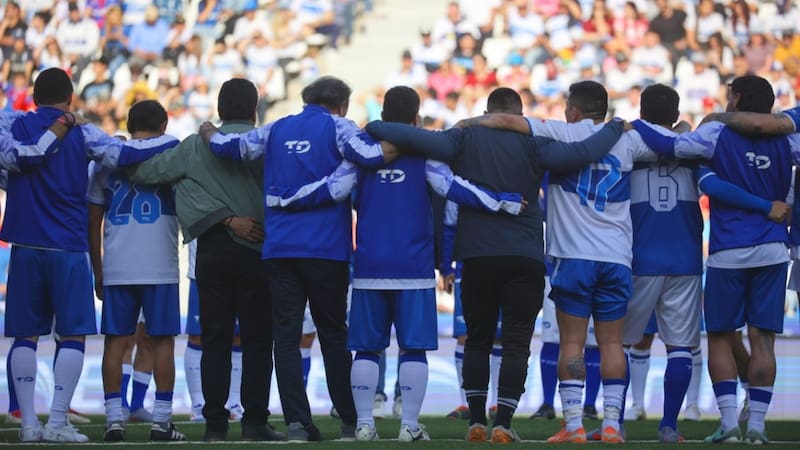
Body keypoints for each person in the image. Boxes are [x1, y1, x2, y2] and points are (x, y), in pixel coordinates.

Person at [365, 87, 626, 443]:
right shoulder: (536, 142)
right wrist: (614, 127)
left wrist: (375, 126)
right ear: (519, 116)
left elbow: (413, 136)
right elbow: (584, 152)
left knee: (477, 340)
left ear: (488, 113)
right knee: (517, 343)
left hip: (477, 254)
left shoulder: (463, 138)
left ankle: (476, 420)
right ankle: (502, 422)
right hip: (525, 255)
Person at [199, 76, 390, 442]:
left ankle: (298, 424)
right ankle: (350, 421)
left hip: (279, 249)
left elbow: (227, 147)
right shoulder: (340, 127)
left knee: (286, 338)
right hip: (325, 249)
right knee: (333, 334)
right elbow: (370, 156)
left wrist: (208, 131)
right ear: (342, 106)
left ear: (306, 100)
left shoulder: (277, 128)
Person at [0, 67, 180, 443]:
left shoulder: (10, 123)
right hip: (68, 246)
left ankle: (29, 424)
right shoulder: (84, 133)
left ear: (34, 98)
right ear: (70, 99)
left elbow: (11, 164)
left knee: (23, 336)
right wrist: (177, 142)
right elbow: (125, 153)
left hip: (25, 244)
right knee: (72, 336)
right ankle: (57, 422)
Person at [631, 75, 799, 445]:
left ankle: (729, 425)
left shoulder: (715, 133)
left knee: (722, 338)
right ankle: (758, 427)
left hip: (729, 251)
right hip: (773, 247)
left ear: (736, 98)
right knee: (763, 340)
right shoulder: (789, 138)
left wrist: (634, 125)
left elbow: (667, 144)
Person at [127, 78, 283, 443]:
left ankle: (215, 425)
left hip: (213, 251)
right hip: (261, 249)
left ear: (219, 110)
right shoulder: (268, 144)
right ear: (254, 111)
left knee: (215, 340)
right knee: (259, 341)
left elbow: (145, 172)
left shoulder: (195, 145)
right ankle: (255, 422)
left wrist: (194, 195)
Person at [87, 100, 185, 442]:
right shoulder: (172, 155)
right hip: (160, 265)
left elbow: (93, 221)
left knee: (116, 342)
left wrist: (98, 268)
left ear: (129, 126)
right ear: (163, 125)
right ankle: (161, 422)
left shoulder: (107, 163)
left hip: (118, 264)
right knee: (162, 342)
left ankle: (114, 420)